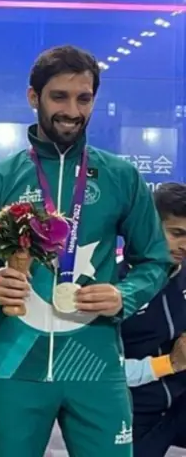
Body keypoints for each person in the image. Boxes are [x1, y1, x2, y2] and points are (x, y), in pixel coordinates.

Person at [0, 45, 172, 457]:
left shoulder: (120, 176)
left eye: (84, 98)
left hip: (96, 363)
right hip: (18, 363)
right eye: (59, 97)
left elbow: (155, 260)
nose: (72, 110)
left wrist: (123, 296)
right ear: (33, 97)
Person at [121, 182, 186, 457]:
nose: (185, 245)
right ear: (147, 224)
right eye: (176, 233)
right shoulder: (112, 285)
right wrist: (169, 363)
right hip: (134, 409)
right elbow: (101, 371)